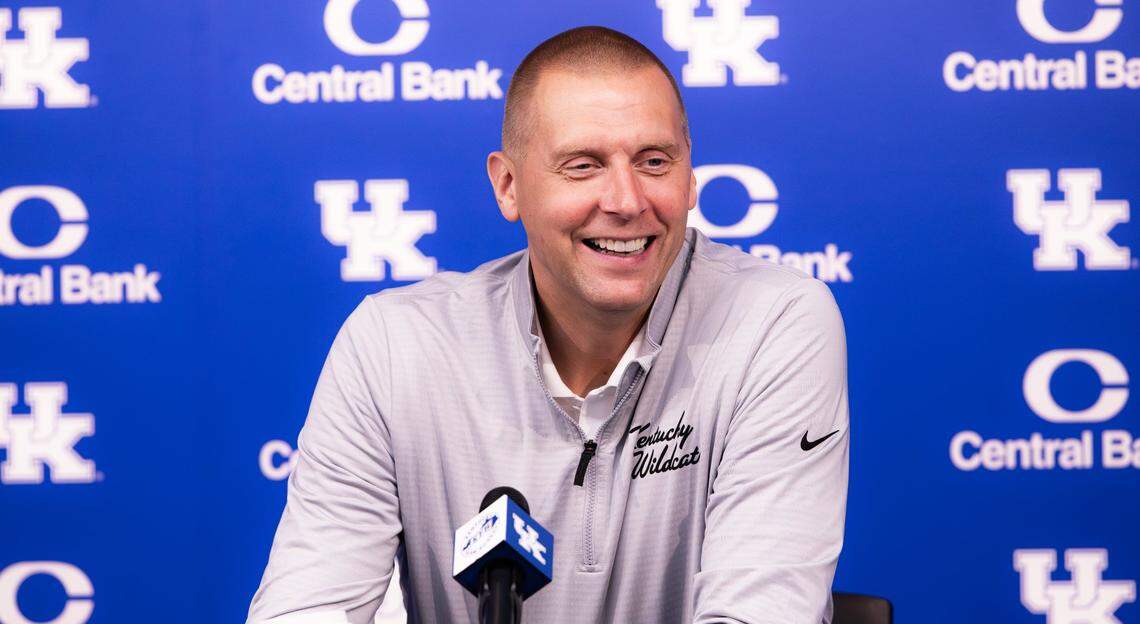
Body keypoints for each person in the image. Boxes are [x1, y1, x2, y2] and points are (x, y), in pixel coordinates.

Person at [248, 25, 848, 624]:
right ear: (509, 186)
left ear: (690, 176)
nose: (626, 199)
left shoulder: (775, 321)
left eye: (654, 161)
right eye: (583, 165)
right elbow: (303, 610)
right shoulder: (392, 346)